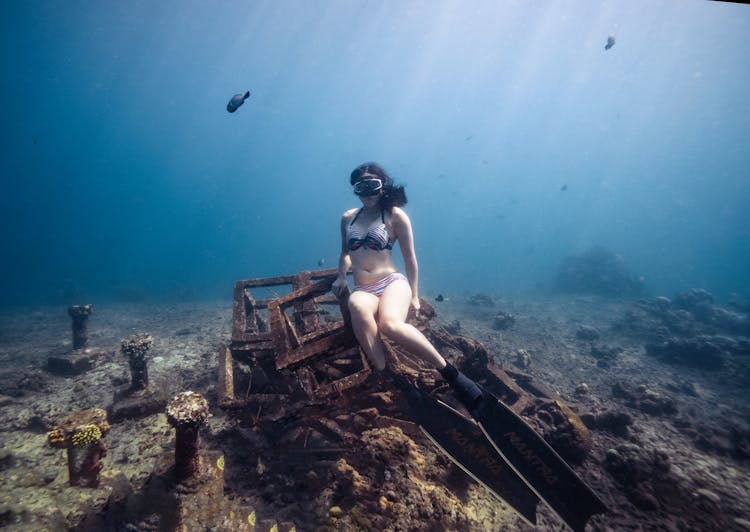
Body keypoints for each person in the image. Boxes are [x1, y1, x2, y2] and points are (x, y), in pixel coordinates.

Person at [331, 162, 483, 410]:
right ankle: (389, 376)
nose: (367, 192)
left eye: (372, 185)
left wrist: (415, 294)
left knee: (389, 325)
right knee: (356, 305)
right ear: (355, 190)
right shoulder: (348, 218)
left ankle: (451, 374)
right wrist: (340, 276)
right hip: (363, 288)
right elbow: (345, 253)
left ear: (382, 186)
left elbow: (410, 258)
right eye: (361, 187)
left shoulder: (395, 216)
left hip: (391, 282)